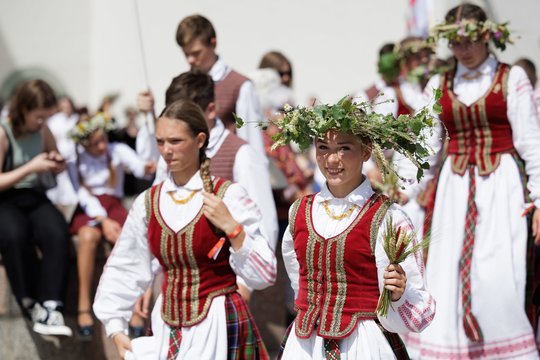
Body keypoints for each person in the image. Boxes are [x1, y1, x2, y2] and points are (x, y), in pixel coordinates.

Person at [93, 99, 276, 359]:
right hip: (167, 324)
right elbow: (126, 263)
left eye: (175, 141)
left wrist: (233, 229)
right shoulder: (149, 202)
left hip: (219, 325)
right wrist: (114, 326)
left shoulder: (228, 196)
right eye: (160, 142)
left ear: (200, 140)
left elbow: (265, 274)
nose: (166, 150)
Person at [408, 3, 540, 358]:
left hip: (502, 188)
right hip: (453, 190)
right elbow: (424, 149)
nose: (463, 51)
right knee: (447, 271)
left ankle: (504, 349)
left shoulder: (512, 78)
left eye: (470, 41)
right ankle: (451, 349)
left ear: (487, 37)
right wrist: (401, 193)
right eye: (455, 44)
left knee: (498, 272)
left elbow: (531, 142)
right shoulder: (439, 83)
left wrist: (539, 198)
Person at [270, 98, 436, 359]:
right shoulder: (299, 211)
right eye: (323, 147)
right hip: (304, 346)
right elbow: (297, 278)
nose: (332, 159)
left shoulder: (388, 217)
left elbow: (418, 308)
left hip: (362, 344)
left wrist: (399, 294)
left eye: (344, 148)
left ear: (366, 151)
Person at [67, 113, 156, 339]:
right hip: (90, 208)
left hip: (113, 205)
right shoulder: (75, 159)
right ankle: (83, 305)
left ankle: (137, 305)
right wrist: (102, 220)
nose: (101, 145)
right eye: (95, 142)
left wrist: (147, 166)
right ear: (84, 143)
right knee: (87, 237)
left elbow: (138, 165)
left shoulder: (116, 150)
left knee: (134, 240)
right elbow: (82, 193)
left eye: (103, 139)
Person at [0, 79, 72, 336]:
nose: (42, 123)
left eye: (46, 118)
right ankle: (29, 302)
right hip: (7, 197)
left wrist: (56, 161)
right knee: (14, 235)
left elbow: (52, 155)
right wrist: (31, 167)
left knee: (57, 230)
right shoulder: (4, 132)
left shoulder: (43, 131)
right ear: (24, 110)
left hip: (34, 195)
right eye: (39, 117)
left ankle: (52, 304)